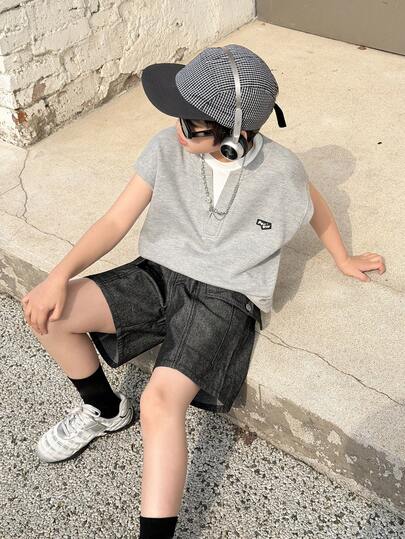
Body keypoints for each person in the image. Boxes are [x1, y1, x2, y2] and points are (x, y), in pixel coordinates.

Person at [21, 44, 386, 539]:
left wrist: (343, 258)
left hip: (225, 294)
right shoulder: (166, 146)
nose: (177, 128)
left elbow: (312, 201)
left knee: (160, 402)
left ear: (233, 136)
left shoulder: (280, 170)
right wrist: (57, 276)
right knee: (47, 310)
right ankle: (104, 410)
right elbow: (115, 220)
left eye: (190, 123)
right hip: (158, 273)